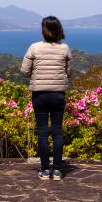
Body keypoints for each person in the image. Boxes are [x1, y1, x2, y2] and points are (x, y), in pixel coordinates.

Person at [22, 16, 73, 180]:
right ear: (59, 30)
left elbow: (24, 71)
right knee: (57, 131)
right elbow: (69, 72)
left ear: (43, 31)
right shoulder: (65, 48)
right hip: (58, 94)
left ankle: (44, 170)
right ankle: (57, 170)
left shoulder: (34, 47)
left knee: (42, 132)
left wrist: (36, 74)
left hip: (40, 94)